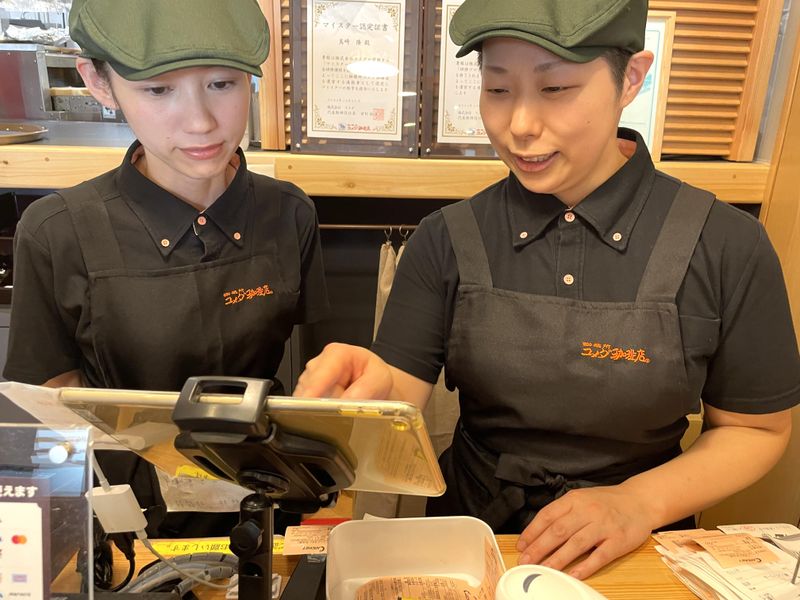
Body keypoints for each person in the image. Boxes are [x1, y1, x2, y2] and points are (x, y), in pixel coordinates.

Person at [293, 0, 800, 579]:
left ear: (630, 78)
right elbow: (398, 398)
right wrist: (369, 394)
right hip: (473, 542)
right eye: (497, 89)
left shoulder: (726, 243)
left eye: (556, 88)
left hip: (639, 549)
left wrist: (638, 503)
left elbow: (755, 429)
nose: (520, 126)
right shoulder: (447, 237)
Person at [4, 0, 328, 536]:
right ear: (99, 82)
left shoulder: (289, 212)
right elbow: (49, 407)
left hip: (261, 504)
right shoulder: (57, 231)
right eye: (158, 90)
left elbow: (317, 379)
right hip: (126, 523)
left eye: (222, 84)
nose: (201, 122)